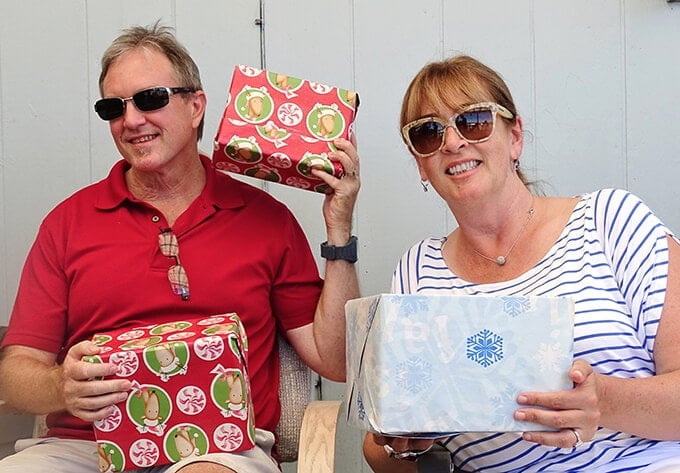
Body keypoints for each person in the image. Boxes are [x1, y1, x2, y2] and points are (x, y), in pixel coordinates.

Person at [0, 22, 360, 473]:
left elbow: (336, 361)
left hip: (220, 446)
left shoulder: (267, 220)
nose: (131, 121)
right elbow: (16, 375)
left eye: (150, 99)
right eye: (114, 107)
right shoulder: (67, 223)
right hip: (85, 448)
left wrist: (339, 229)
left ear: (195, 107)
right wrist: (60, 386)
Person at [362, 55, 680, 473]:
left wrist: (603, 400)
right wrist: (405, 443)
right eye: (428, 132)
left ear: (515, 137)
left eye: (473, 120)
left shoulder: (610, 220)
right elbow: (384, 451)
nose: (453, 142)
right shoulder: (417, 271)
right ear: (422, 163)